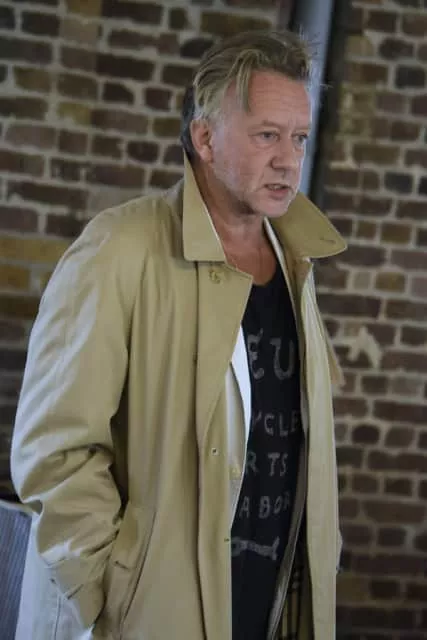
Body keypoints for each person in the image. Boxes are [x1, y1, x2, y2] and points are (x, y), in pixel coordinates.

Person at [11, 30, 345, 640]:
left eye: (298, 137)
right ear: (205, 138)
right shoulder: (120, 248)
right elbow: (55, 450)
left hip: (265, 603)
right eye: (266, 135)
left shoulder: (297, 262)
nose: (288, 159)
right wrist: (108, 592)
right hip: (147, 613)